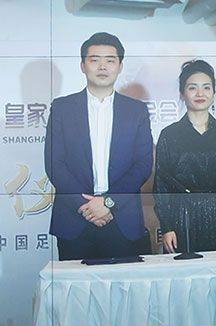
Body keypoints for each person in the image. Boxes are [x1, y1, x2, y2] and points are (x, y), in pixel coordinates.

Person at [44, 32, 153, 261]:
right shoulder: (62, 108)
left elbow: (142, 165)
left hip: (122, 219)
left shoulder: (136, 111)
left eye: (110, 60)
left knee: (124, 283)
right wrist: (87, 205)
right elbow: (55, 164)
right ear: (82, 65)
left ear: (120, 66)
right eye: (94, 60)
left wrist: (109, 203)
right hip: (75, 219)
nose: (102, 66)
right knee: (75, 284)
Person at [154, 59, 216, 253]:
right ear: (182, 93)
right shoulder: (169, 135)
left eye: (206, 87)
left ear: (214, 93)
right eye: (192, 88)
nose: (200, 93)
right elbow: (161, 186)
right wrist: (167, 226)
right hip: (183, 216)